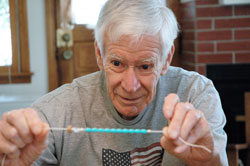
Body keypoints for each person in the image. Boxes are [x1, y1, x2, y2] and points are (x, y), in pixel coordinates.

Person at [0, 0, 228, 165]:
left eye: (145, 66)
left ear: (167, 58)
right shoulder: (54, 112)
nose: (130, 86)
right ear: (99, 55)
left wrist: (209, 161)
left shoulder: (196, 95)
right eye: (117, 63)